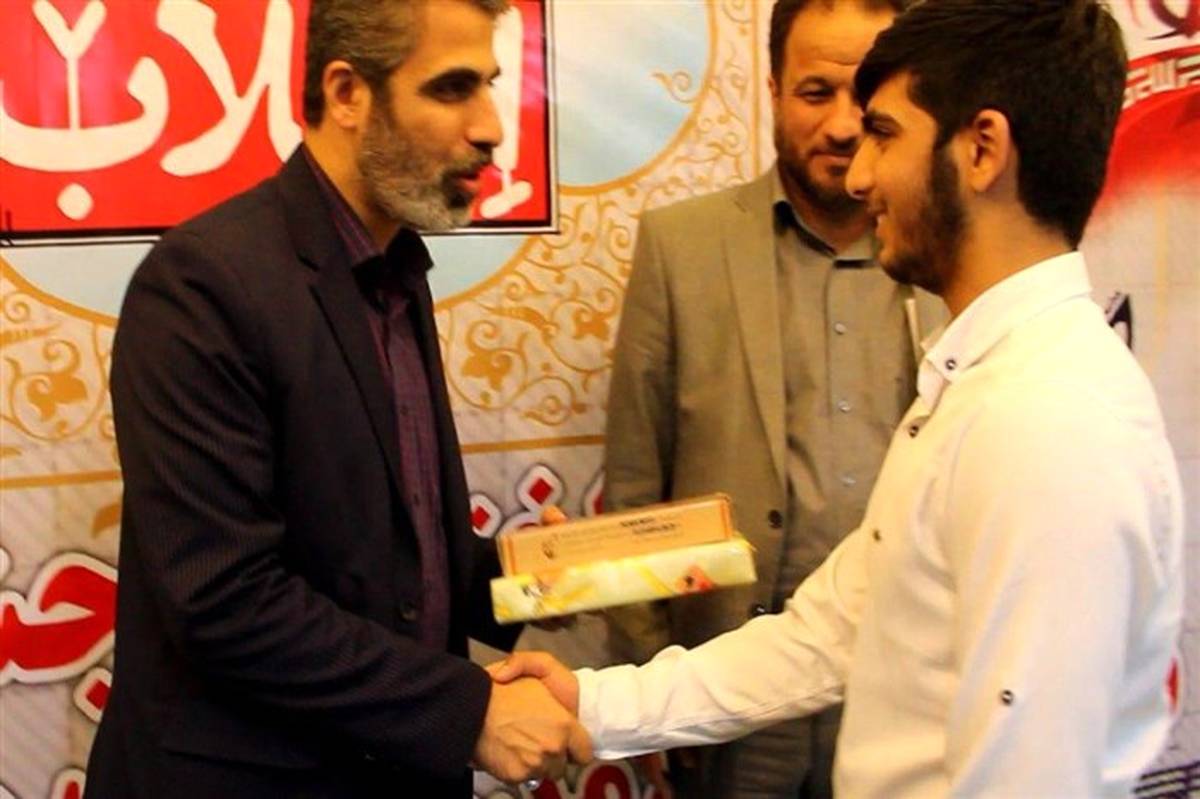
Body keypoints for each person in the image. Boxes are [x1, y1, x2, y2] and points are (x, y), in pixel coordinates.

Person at [494, 1, 1185, 796]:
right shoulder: (980, 382)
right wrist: (593, 701)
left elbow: (1033, 776)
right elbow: (831, 629)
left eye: (884, 133)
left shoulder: (1048, 421)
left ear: (982, 149)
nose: (859, 173)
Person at [84, 1, 590, 796]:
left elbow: (382, 563)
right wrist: (468, 713)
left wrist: (529, 576)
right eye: (452, 89)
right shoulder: (203, 285)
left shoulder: (395, 269)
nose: (492, 127)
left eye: (490, 86)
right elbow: (222, 598)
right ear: (347, 93)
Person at [603, 0, 939, 795]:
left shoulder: (943, 255)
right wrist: (656, 684)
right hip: (731, 689)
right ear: (774, 90)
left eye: (866, 97)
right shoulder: (683, 246)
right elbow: (635, 487)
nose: (844, 126)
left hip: (901, 687)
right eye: (816, 92)